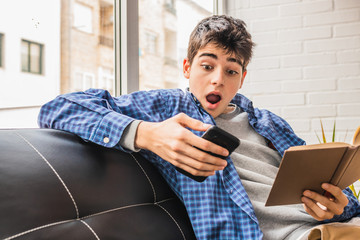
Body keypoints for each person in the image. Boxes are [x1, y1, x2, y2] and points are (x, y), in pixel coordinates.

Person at [38, 15, 360, 239]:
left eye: (231, 71)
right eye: (207, 66)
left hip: (336, 226)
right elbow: (60, 108)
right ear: (187, 68)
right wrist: (146, 134)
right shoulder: (166, 107)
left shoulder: (270, 122)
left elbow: (333, 189)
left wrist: (339, 204)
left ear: (242, 78)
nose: (218, 78)